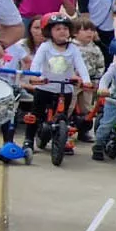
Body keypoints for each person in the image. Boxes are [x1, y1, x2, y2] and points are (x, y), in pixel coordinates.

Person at [25, 14, 90, 148]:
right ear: (49, 32)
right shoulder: (45, 47)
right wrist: (35, 76)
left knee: (63, 117)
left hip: (65, 89)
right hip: (45, 88)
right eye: (58, 28)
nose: (62, 31)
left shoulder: (73, 49)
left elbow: (81, 66)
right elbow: (36, 64)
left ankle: (61, 139)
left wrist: (86, 80)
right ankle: (29, 140)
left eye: (65, 28)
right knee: (35, 115)